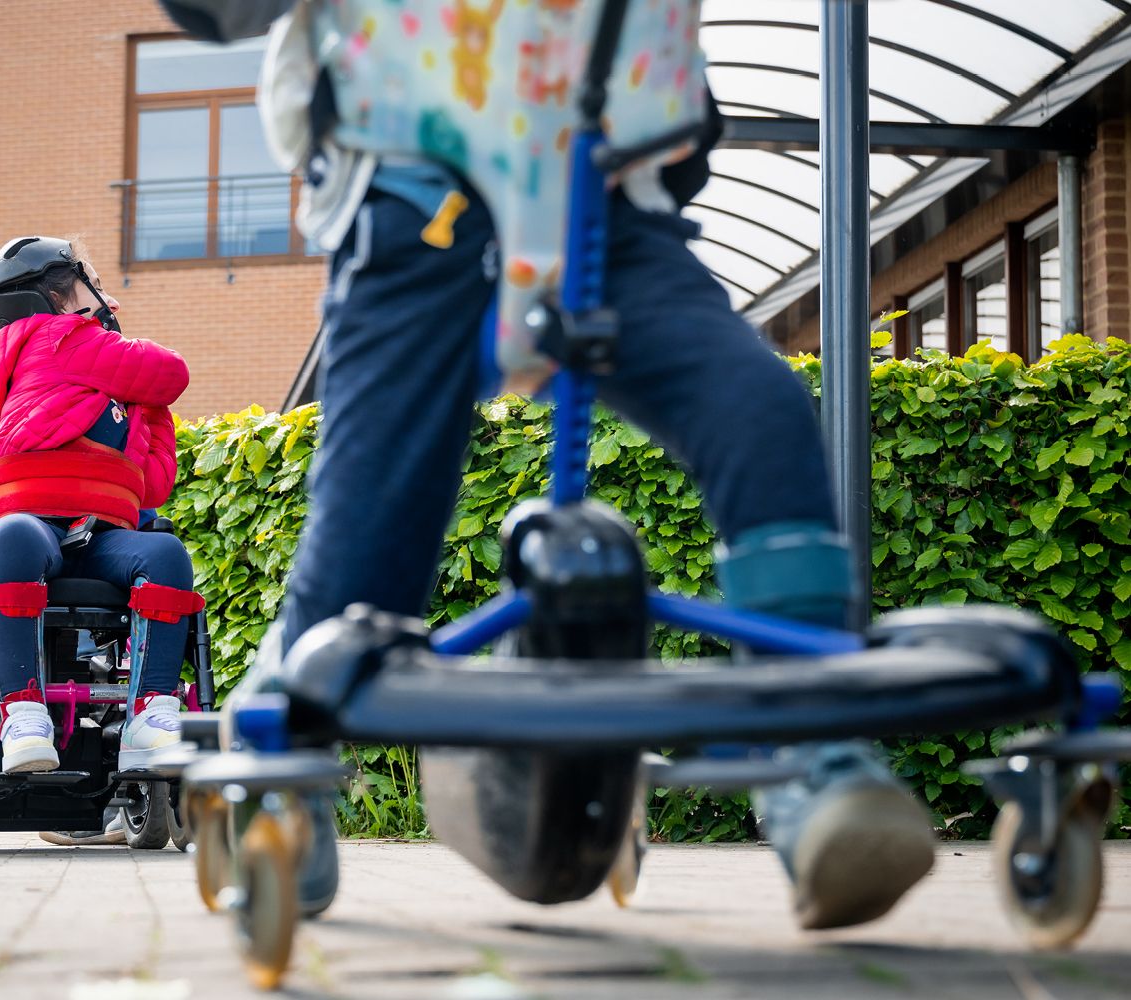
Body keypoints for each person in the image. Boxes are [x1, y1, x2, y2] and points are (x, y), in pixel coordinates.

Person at [158, 0, 936, 931]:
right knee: (375, 517)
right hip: (413, 196)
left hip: (603, 202)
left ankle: (820, 757)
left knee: (757, 408)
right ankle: (287, 748)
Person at [0, 236, 194, 775]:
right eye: (89, 277)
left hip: (93, 533)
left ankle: (150, 712)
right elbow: (171, 371)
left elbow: (152, 484)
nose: (102, 288)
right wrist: (138, 376)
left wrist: (147, 409)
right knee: (15, 536)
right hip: (36, 525)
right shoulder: (58, 339)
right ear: (60, 297)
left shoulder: (96, 375)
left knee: (166, 554)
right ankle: (22, 712)